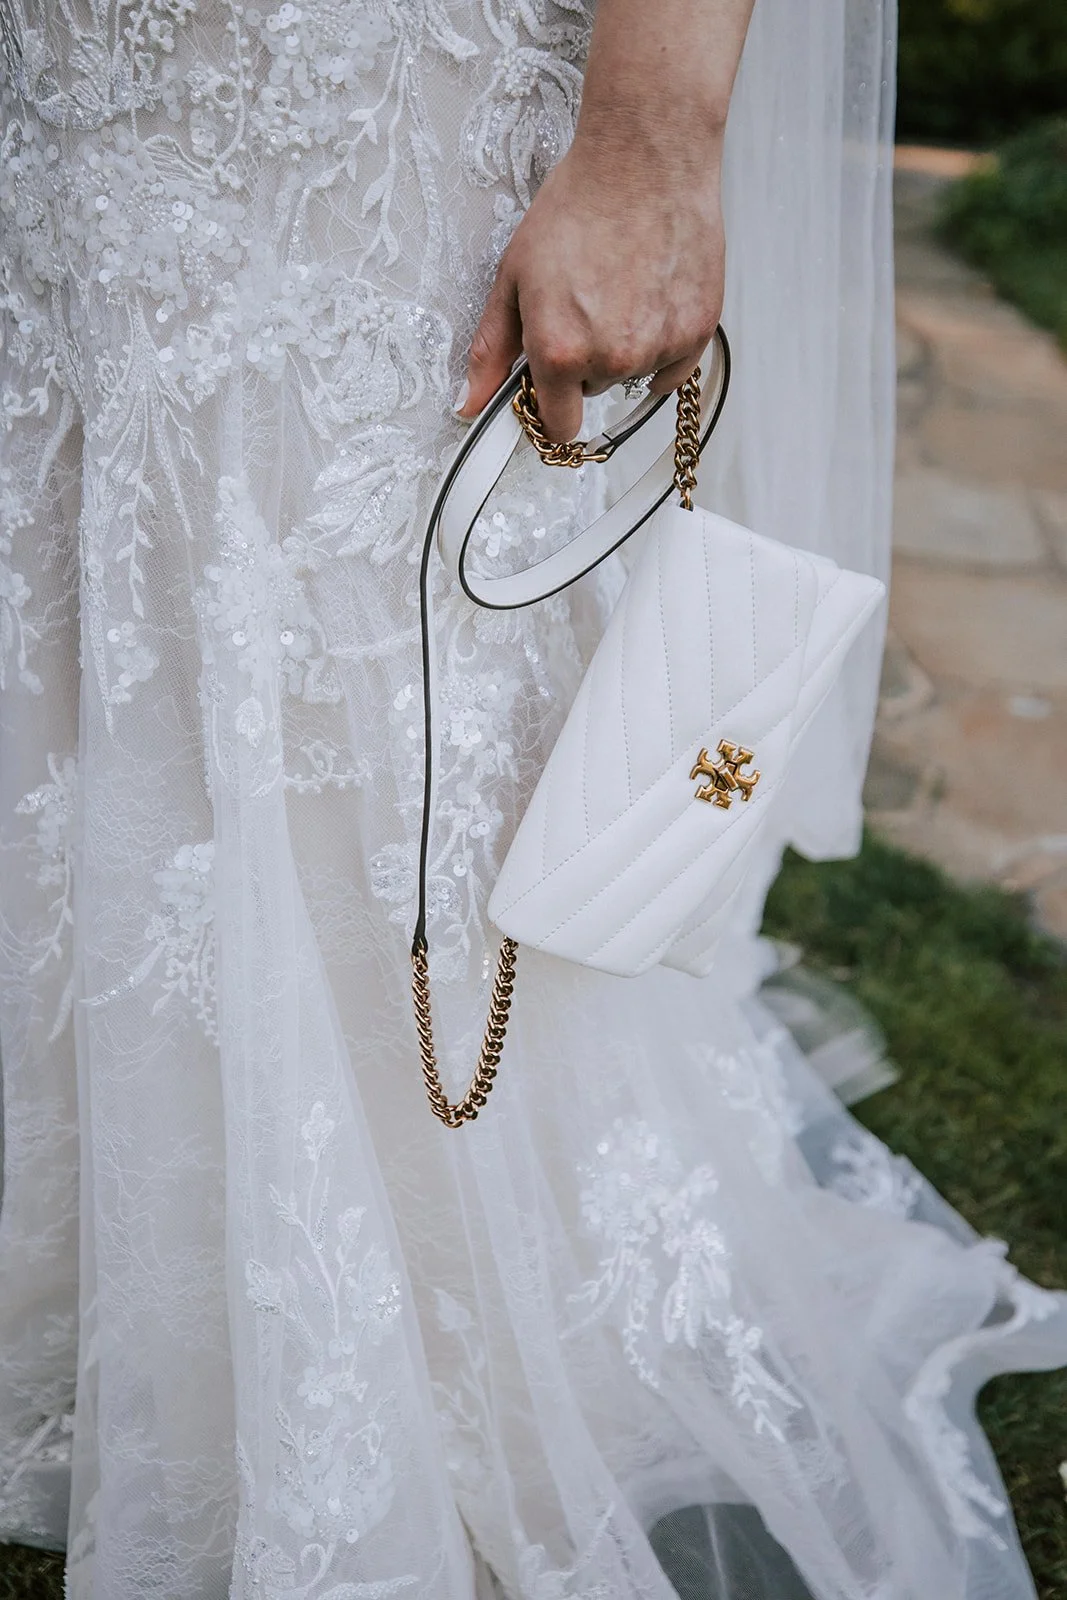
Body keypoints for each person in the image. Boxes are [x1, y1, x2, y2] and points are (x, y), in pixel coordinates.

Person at [0, 0, 1064, 1595]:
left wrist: (650, 149)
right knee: (107, 581)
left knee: (373, 616)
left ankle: (446, 1297)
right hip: (83, 98)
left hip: (364, 90)